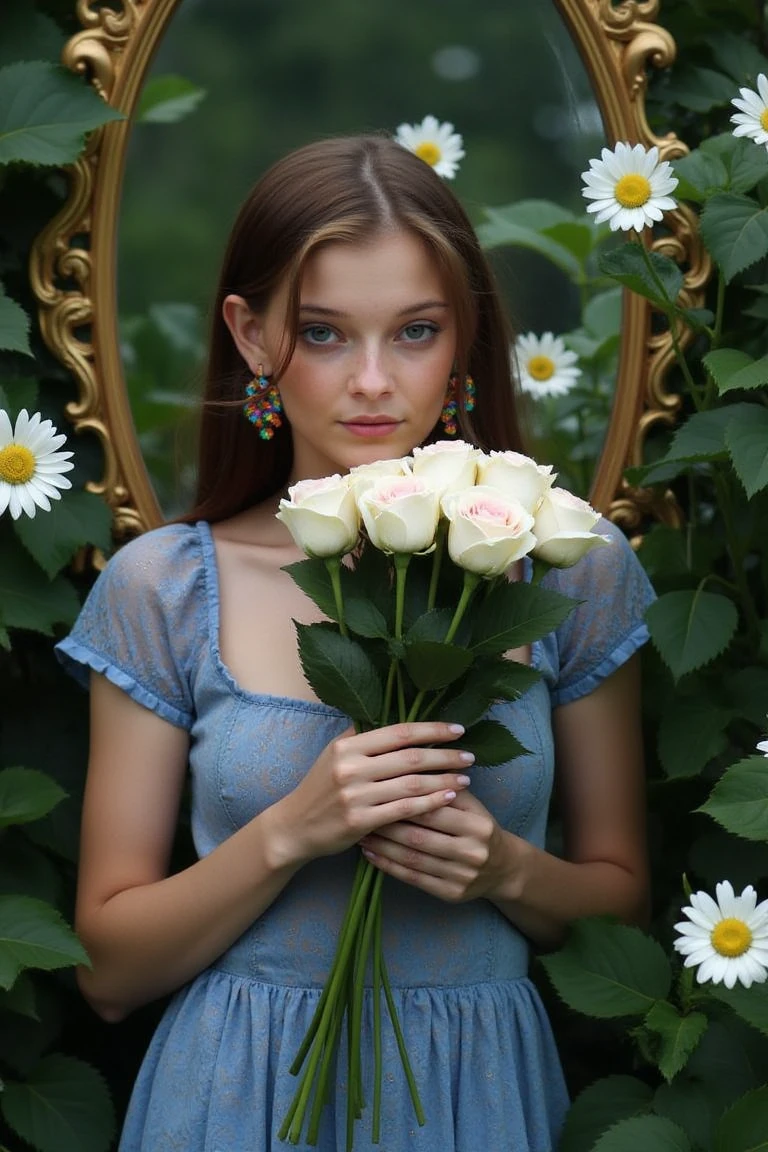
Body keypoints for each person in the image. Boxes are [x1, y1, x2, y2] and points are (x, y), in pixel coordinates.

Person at [56, 134, 654, 1152]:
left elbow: (625, 920)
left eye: (415, 332)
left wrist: (507, 870)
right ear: (250, 335)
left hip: (476, 1097)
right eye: (325, 334)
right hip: (234, 1100)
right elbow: (107, 974)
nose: (373, 381)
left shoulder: (563, 566)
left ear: (464, 336)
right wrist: (291, 830)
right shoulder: (164, 586)